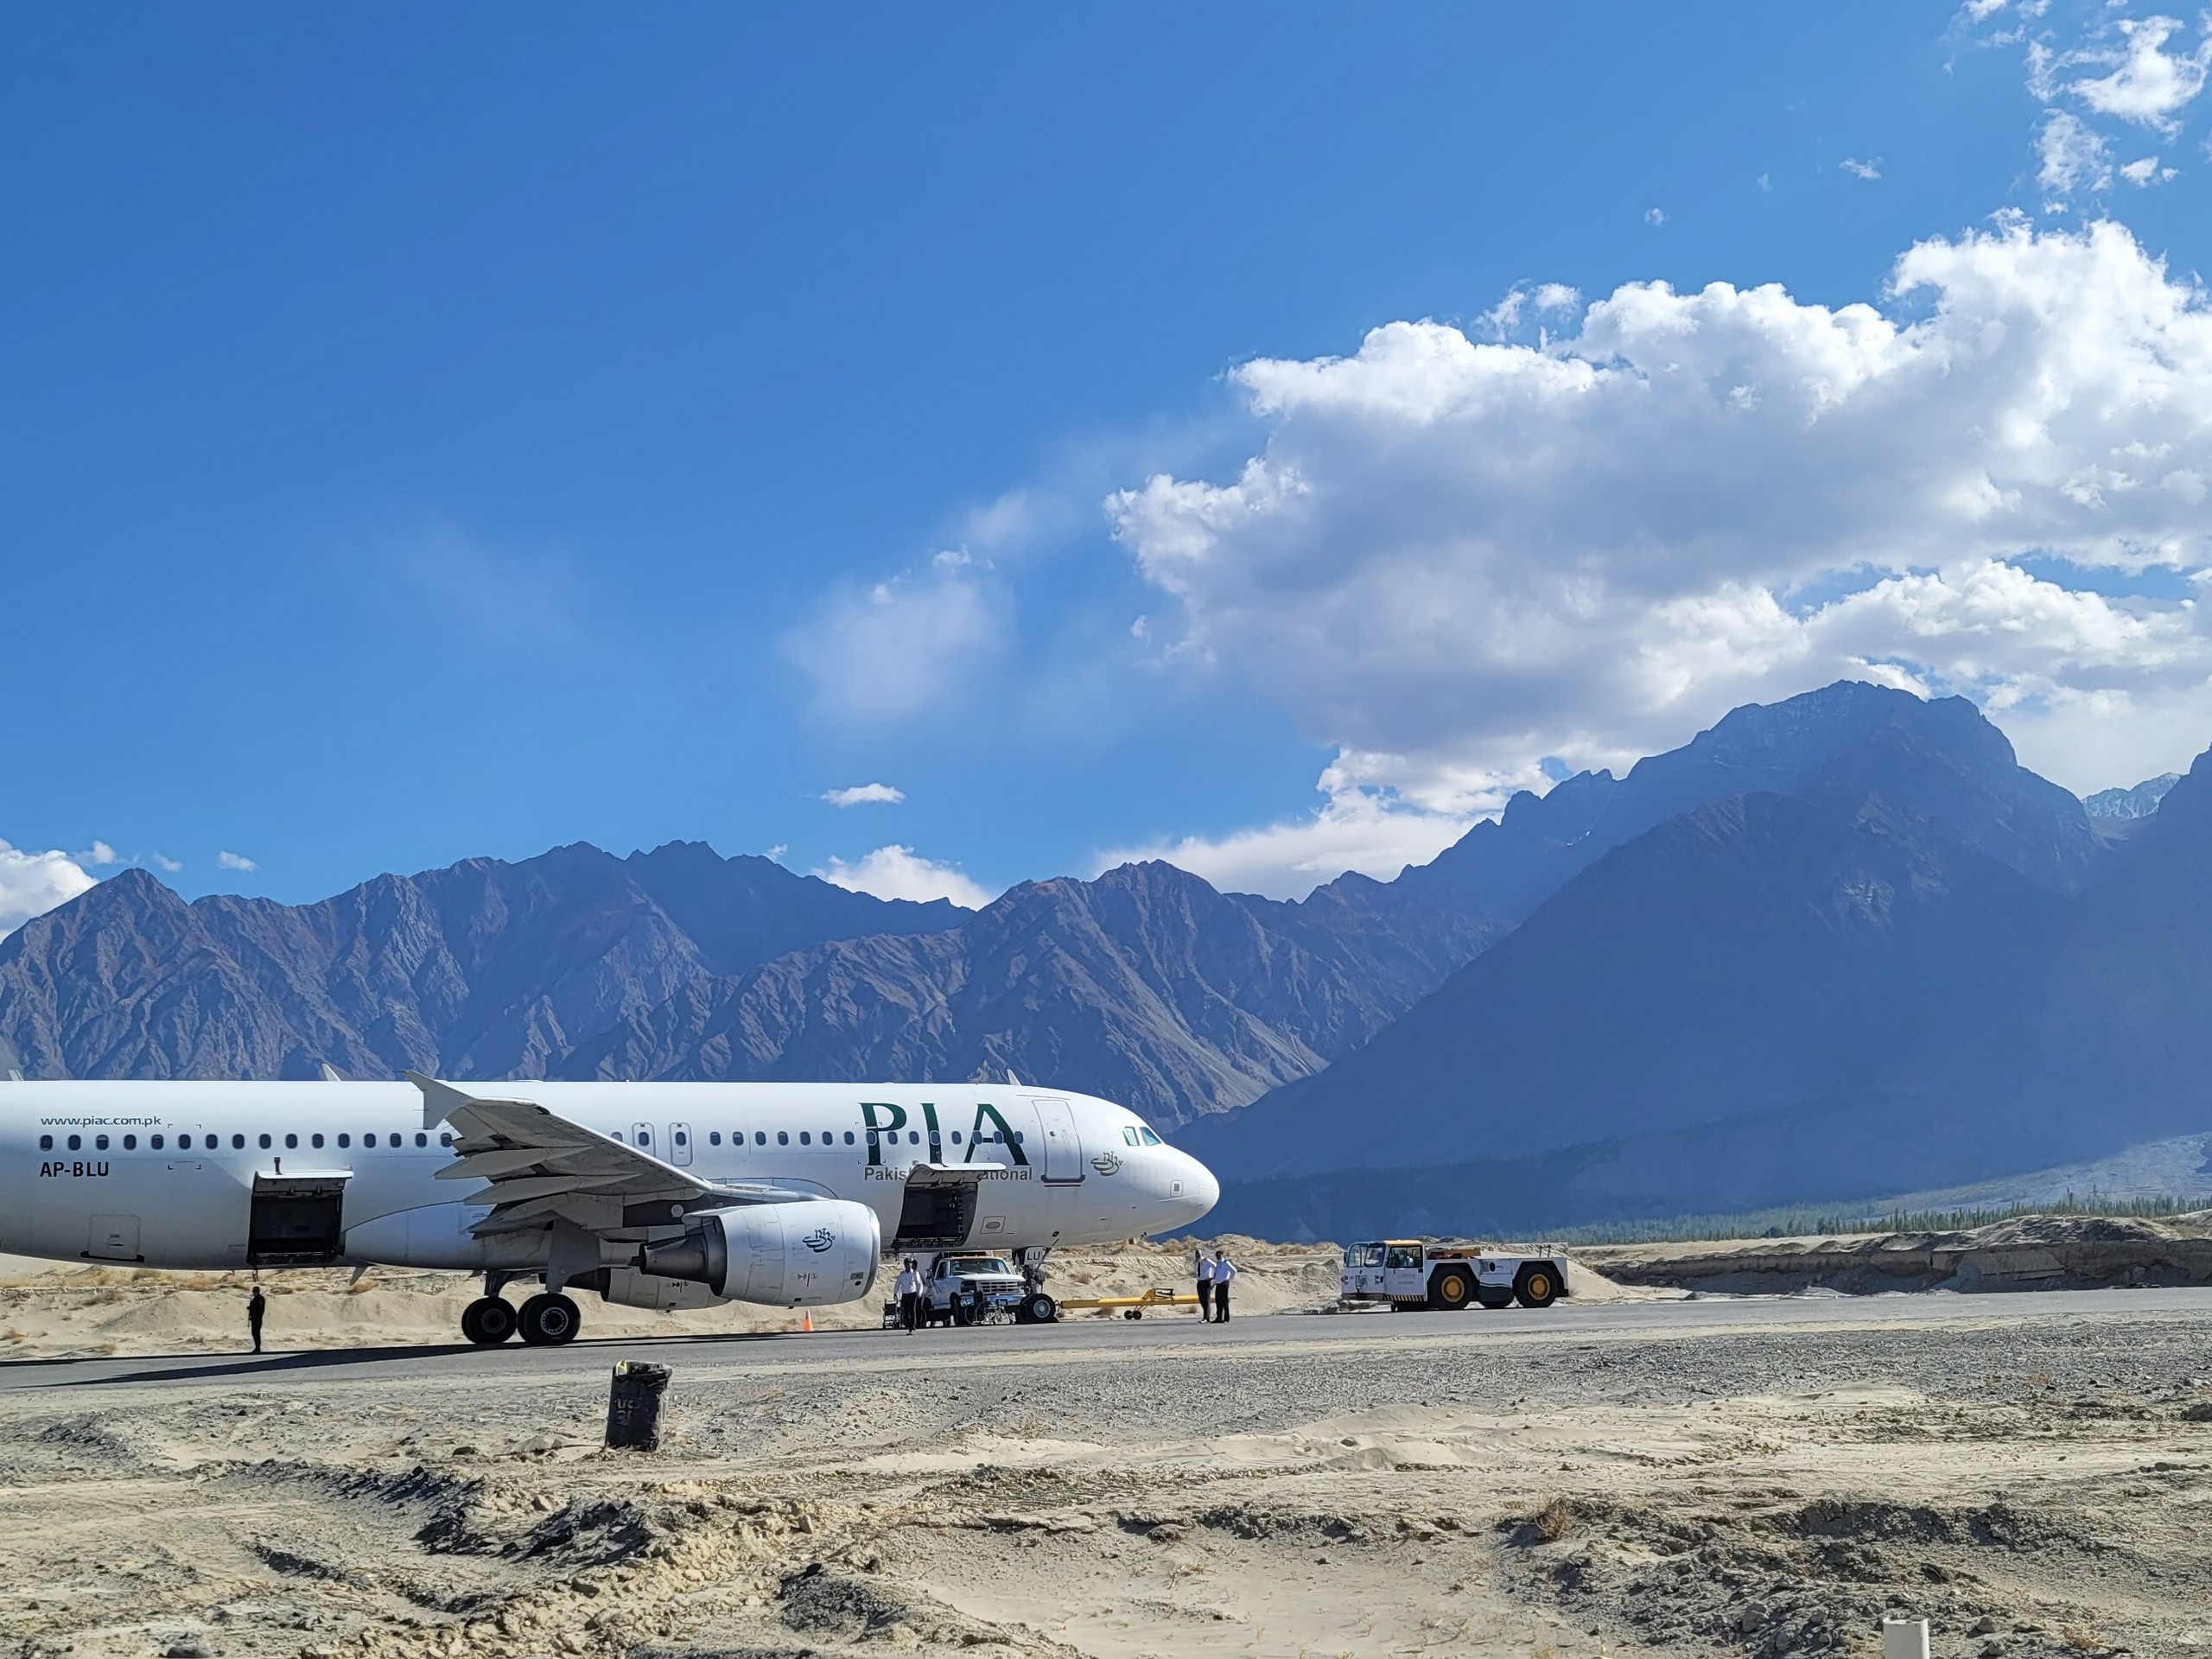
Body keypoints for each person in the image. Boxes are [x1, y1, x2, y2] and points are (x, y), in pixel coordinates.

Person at [894, 1258, 924, 1333]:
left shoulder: (914, 1273)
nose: (907, 1266)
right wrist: (895, 1293)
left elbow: (920, 1284)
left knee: (912, 1311)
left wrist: (919, 1293)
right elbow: (897, 1284)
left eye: (909, 1264)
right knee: (906, 1312)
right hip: (905, 1295)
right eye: (906, 1264)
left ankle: (912, 1327)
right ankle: (909, 1325)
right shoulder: (902, 1275)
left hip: (912, 1294)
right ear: (904, 1265)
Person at [1211, 1249, 1236, 1323]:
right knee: (1220, 1301)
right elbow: (1217, 1275)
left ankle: (1223, 1318)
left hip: (1224, 1283)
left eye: (1219, 1255)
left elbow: (1233, 1271)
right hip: (1218, 1284)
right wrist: (1214, 1284)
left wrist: (1228, 1279)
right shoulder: (1218, 1264)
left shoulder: (1226, 1263)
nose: (1218, 1256)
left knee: (1222, 1301)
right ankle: (1222, 1318)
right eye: (1217, 1255)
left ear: (1222, 1255)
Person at [1194, 1246, 1214, 1321]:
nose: (1197, 1255)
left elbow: (1215, 1266)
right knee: (1201, 1300)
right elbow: (1196, 1272)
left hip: (1206, 1281)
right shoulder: (1196, 1262)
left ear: (1202, 1254)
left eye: (1199, 1254)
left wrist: (1212, 1277)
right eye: (1196, 1254)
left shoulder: (1206, 1261)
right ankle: (1206, 1316)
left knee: (1206, 1300)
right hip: (1199, 1282)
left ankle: (1206, 1317)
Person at [246, 1285, 267, 1353]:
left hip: (257, 1319)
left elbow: (259, 1309)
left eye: (255, 1292)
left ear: (258, 1292)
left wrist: (251, 1308)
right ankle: (257, 1347)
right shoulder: (256, 1299)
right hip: (254, 1319)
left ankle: (258, 1347)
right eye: (253, 1291)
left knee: (256, 1333)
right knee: (254, 1333)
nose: (254, 1293)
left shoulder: (260, 1299)